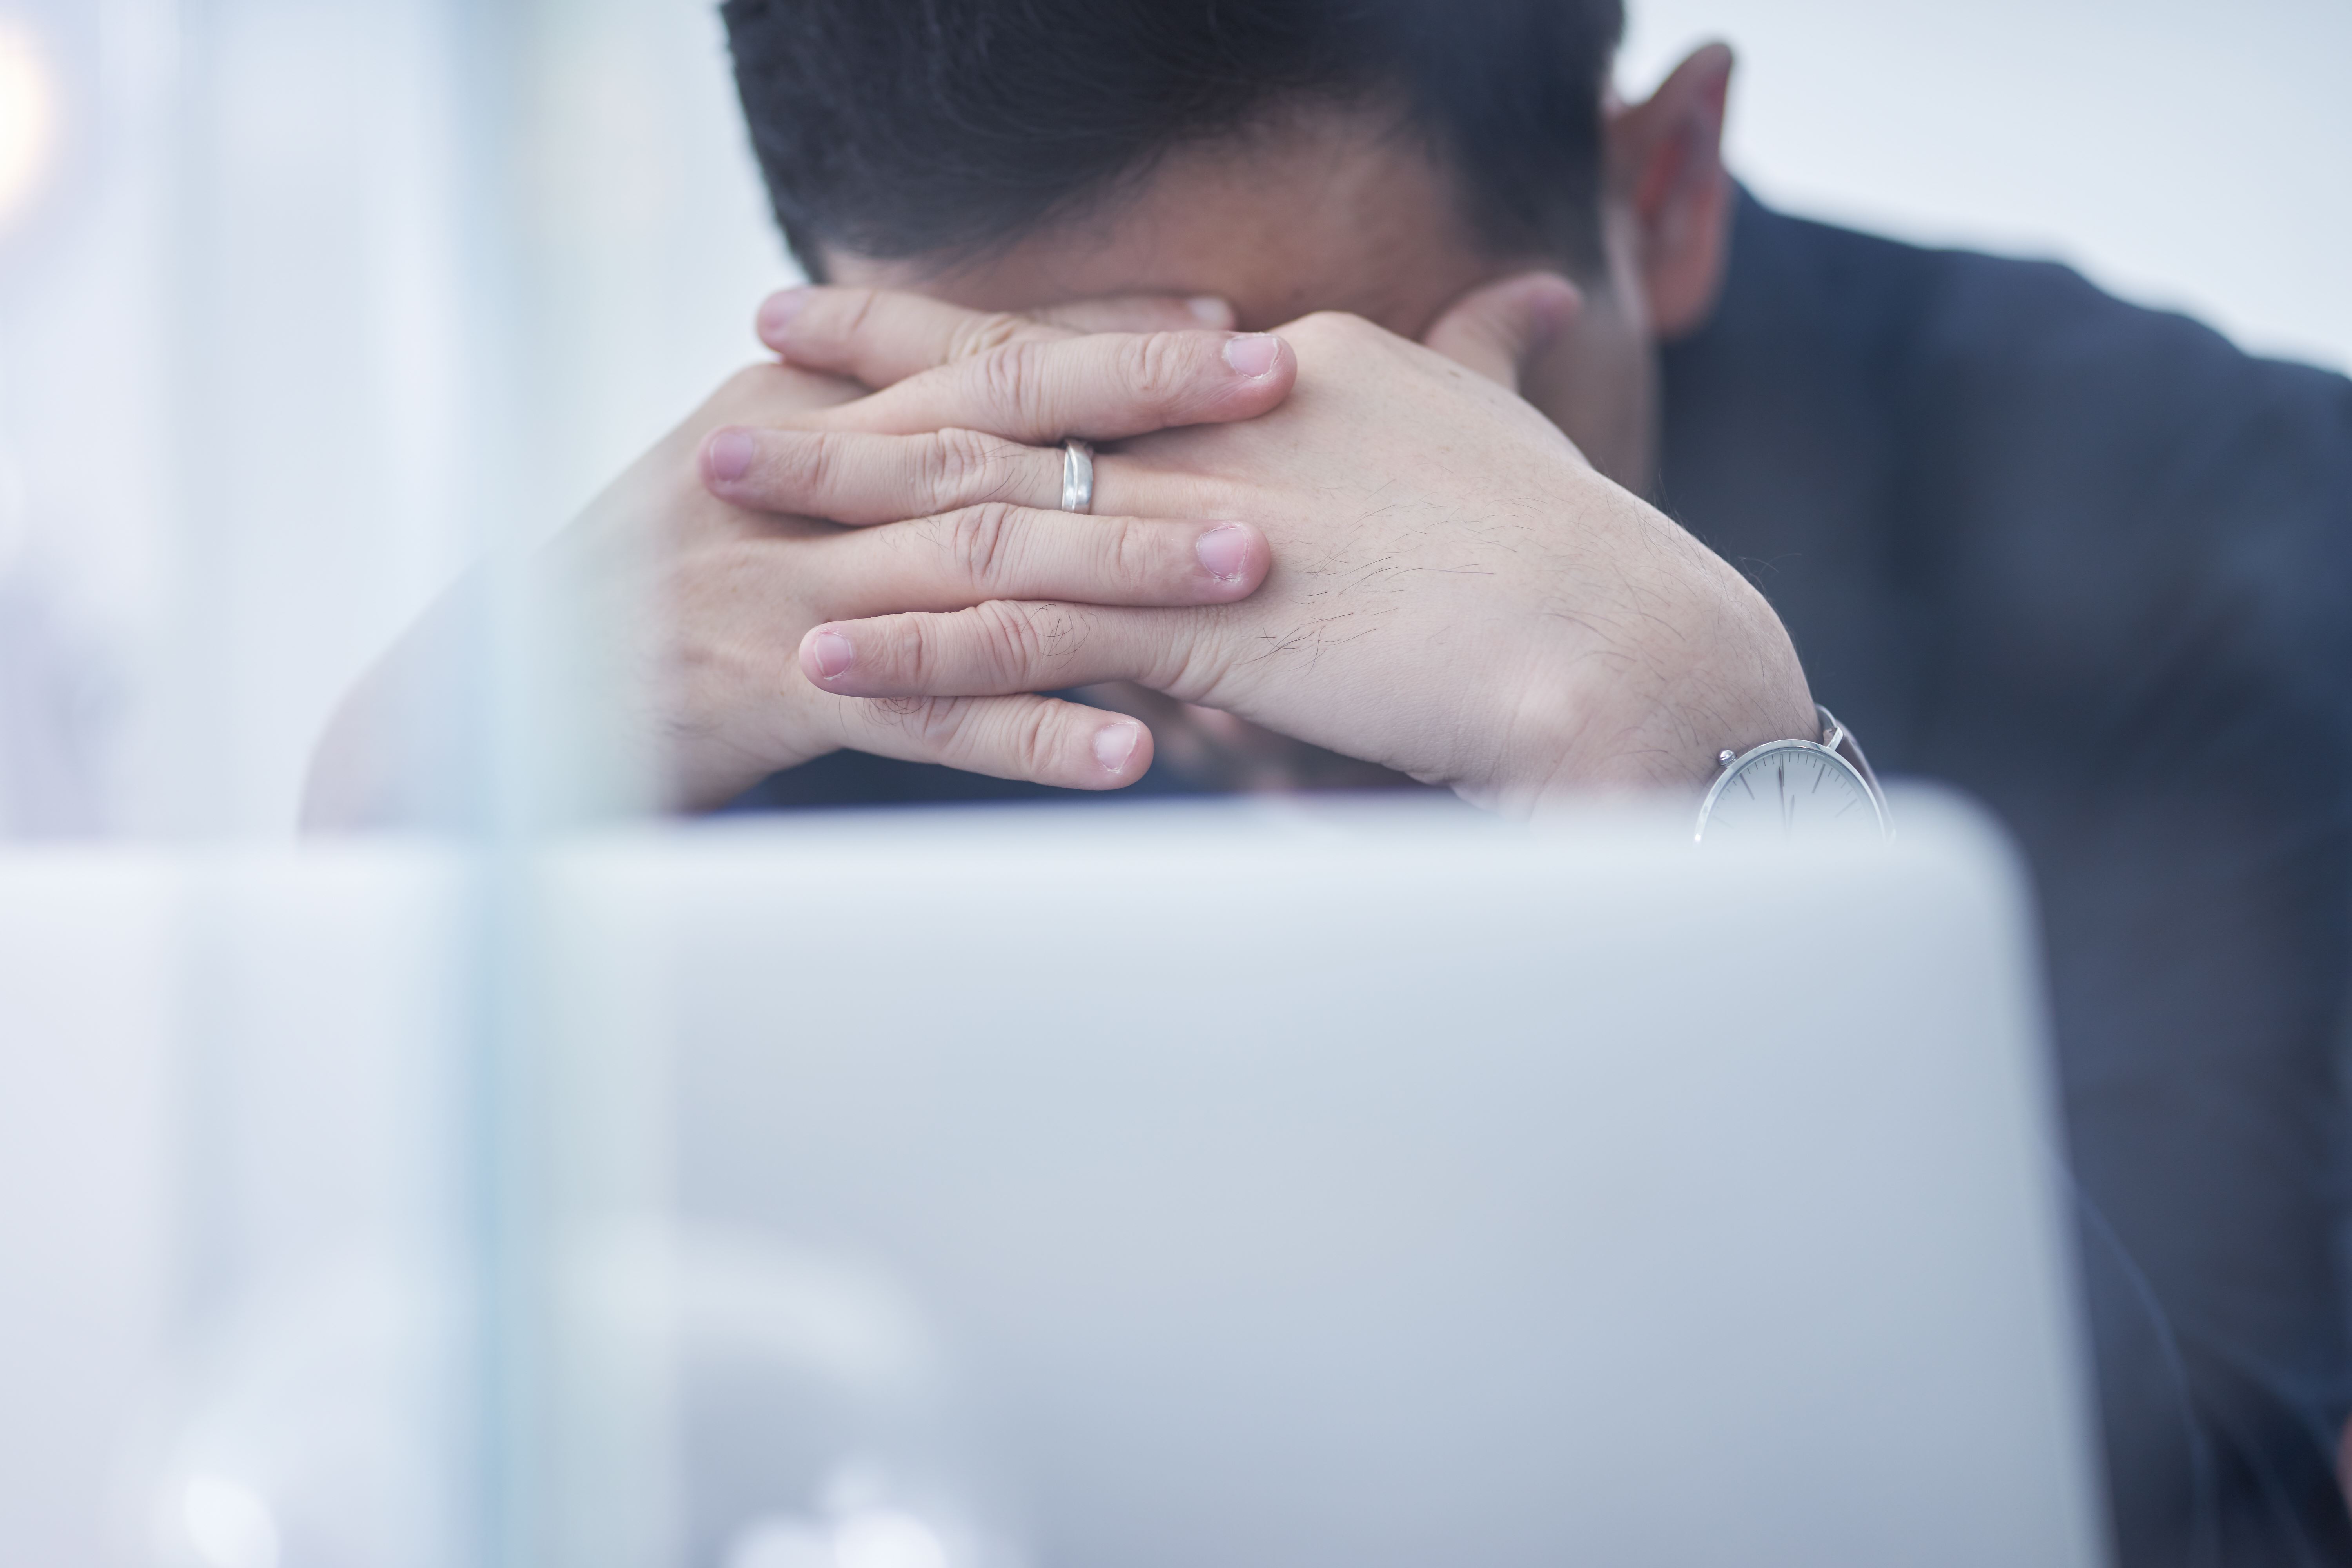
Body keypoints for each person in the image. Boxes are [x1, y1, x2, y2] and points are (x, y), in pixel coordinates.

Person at [308, 1, 2352, 1561]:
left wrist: (1704, 779)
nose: (1222, 619)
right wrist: (388, 899)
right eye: (1062, 462)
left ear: (1667, 190)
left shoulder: (2238, 529)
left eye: (1367, 447)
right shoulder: (838, 637)